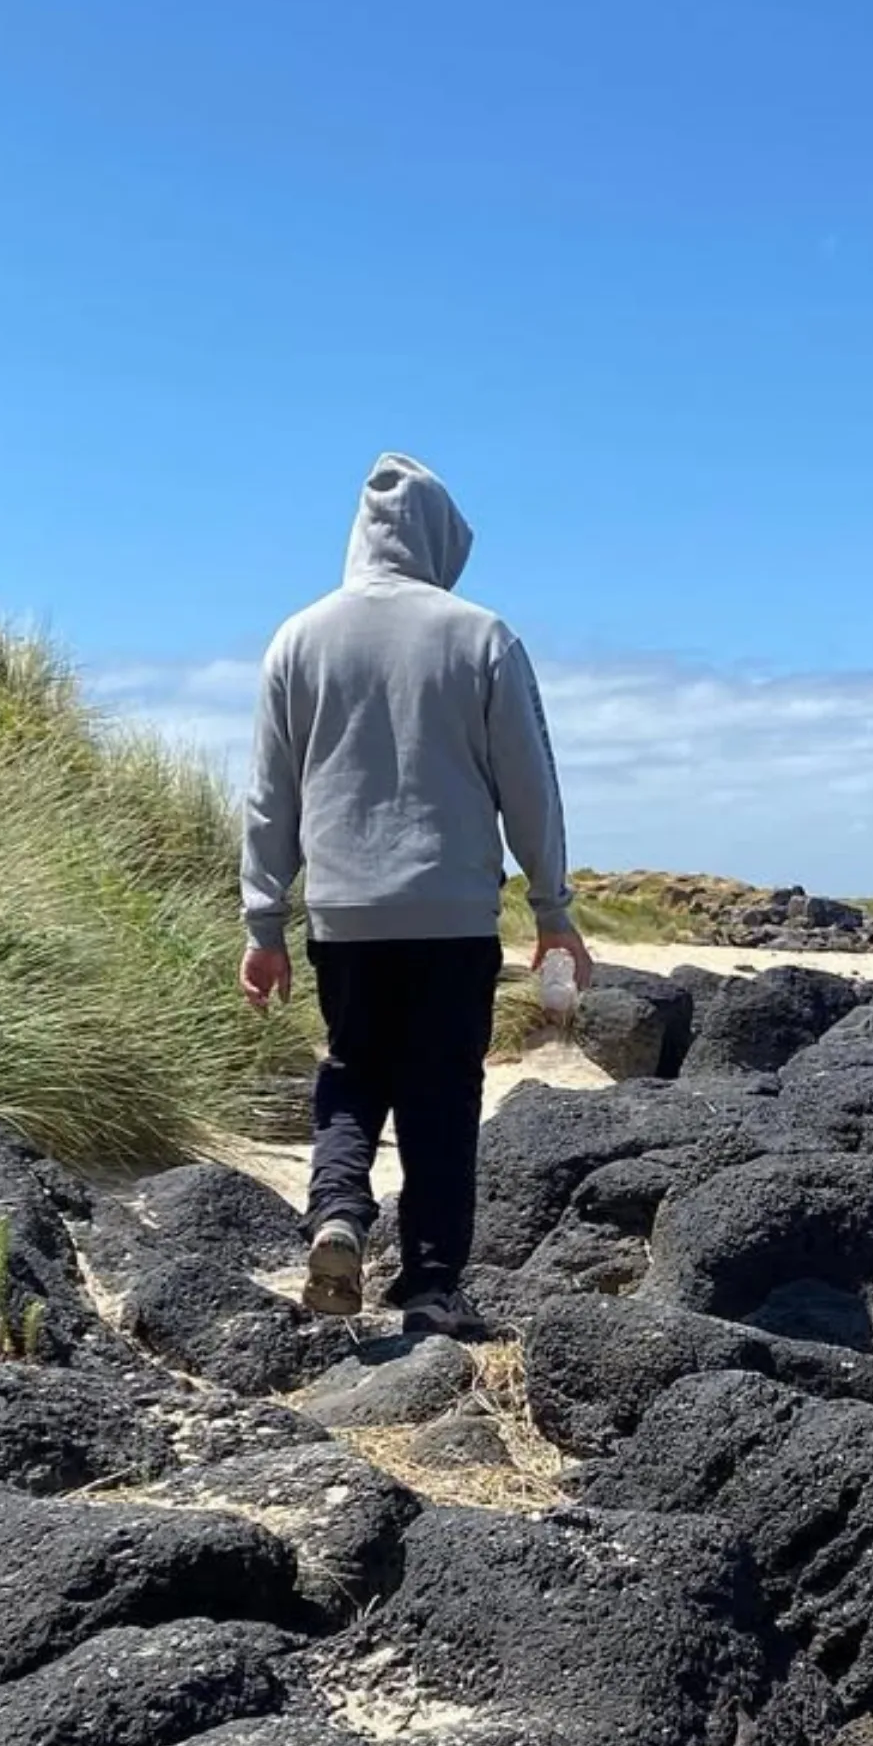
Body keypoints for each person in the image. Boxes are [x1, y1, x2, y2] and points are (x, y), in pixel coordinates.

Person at [239, 453, 589, 1334]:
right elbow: (530, 787)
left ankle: (339, 1218)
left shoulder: (298, 639)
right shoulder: (481, 636)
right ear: (439, 538)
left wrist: (263, 922)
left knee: (353, 1078)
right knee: (441, 1095)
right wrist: (553, 912)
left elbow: (268, 797)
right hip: (451, 915)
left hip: (344, 915)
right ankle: (431, 1286)